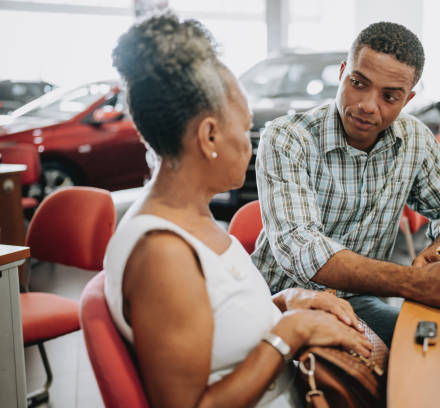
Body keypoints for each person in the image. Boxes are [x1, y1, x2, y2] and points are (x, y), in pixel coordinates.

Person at [104, 12, 372, 408]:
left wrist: (288, 300)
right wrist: (292, 333)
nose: (250, 147)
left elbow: (223, 317)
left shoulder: (191, 218)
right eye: (245, 130)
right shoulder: (163, 255)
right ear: (209, 136)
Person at [252, 22, 440, 347]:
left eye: (389, 96)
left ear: (407, 99)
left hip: (357, 301)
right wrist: (415, 281)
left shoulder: (414, 139)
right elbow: (304, 249)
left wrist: (439, 253)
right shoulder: (288, 138)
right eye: (358, 83)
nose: (368, 104)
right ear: (342, 73)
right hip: (281, 303)